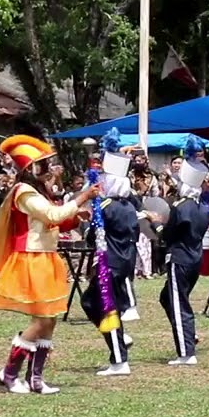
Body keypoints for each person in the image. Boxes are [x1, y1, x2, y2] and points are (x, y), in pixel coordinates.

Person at [0, 135, 97, 394]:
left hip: (45, 256)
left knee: (50, 320)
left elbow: (52, 222)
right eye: (42, 165)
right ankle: (9, 374)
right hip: (31, 258)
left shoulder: (37, 192)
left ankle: (36, 378)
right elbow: (50, 215)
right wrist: (82, 197)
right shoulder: (23, 192)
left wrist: (75, 215)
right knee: (41, 320)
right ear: (29, 169)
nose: (47, 169)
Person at [80, 137, 139, 377]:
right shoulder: (129, 206)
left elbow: (93, 236)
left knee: (107, 310)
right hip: (124, 262)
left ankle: (119, 359)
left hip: (109, 263)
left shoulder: (106, 207)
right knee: (89, 302)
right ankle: (119, 337)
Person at [156, 138, 209, 365]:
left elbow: (167, 234)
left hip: (180, 257)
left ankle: (186, 352)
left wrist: (156, 223)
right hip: (195, 257)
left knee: (179, 304)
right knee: (167, 297)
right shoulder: (203, 209)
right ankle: (189, 335)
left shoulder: (180, 208)